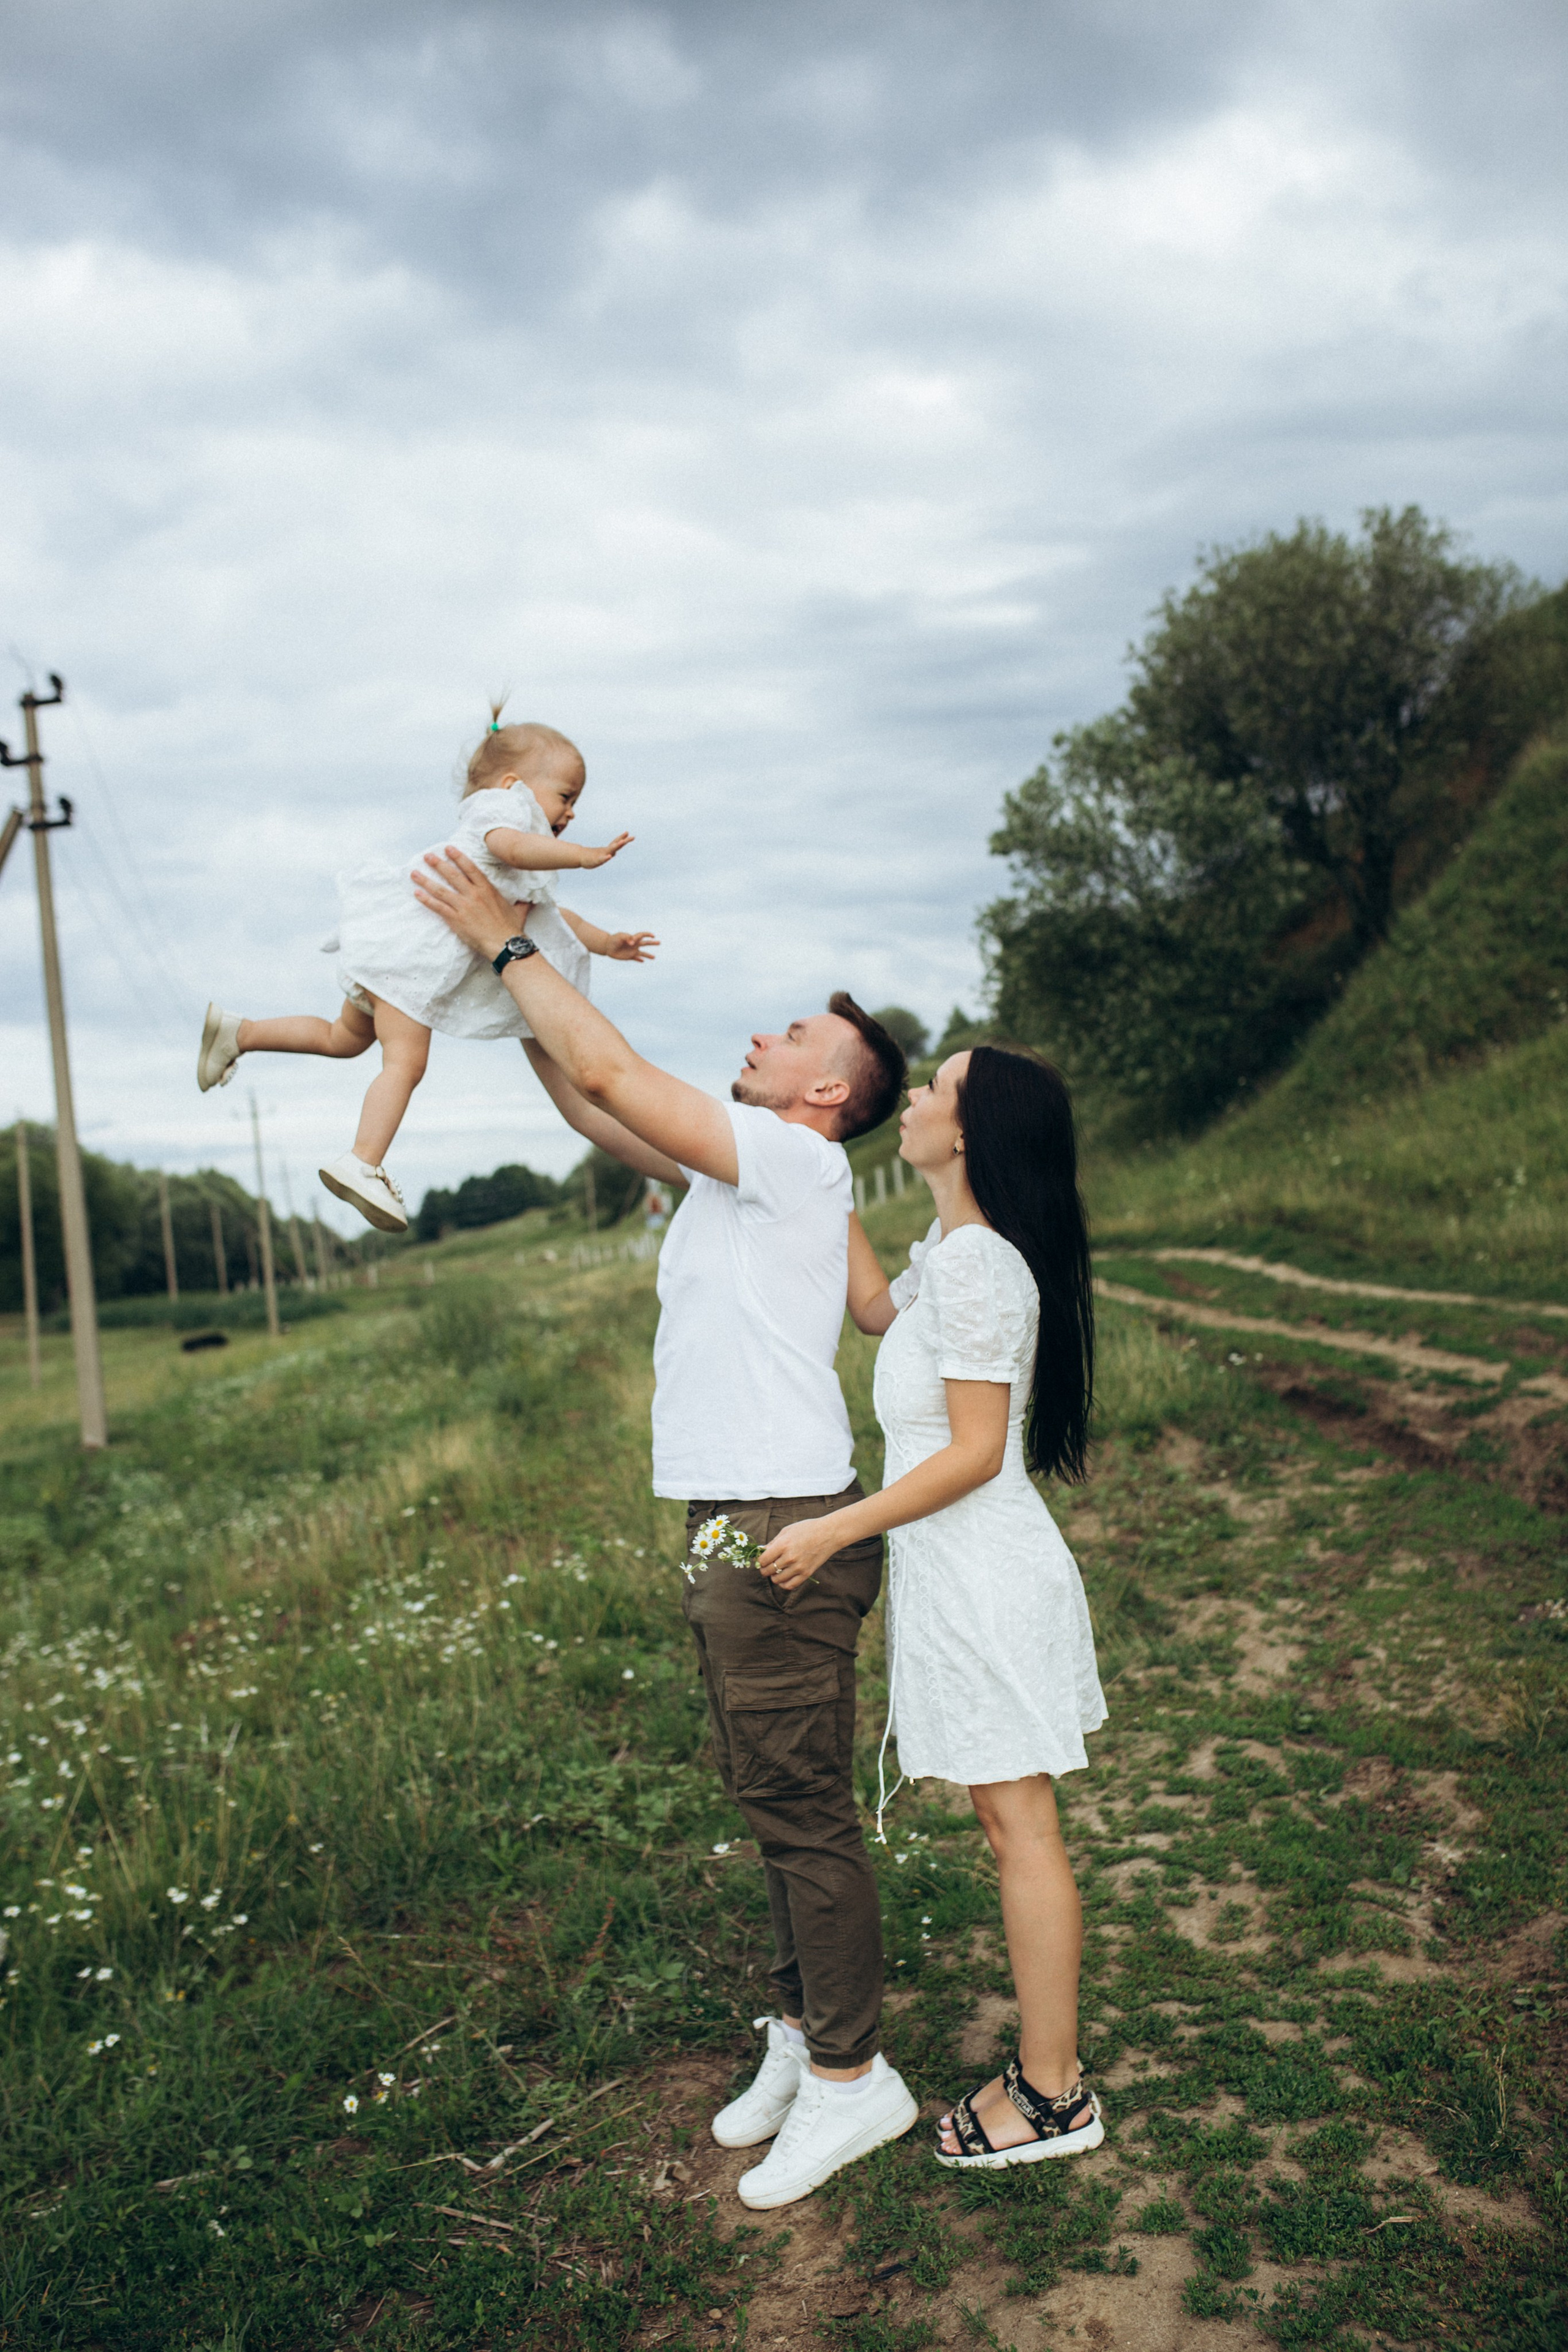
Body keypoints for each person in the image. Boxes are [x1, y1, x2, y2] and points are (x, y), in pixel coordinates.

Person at [409, 843, 918, 2211]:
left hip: (782, 1523)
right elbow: (595, 1098)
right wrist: (509, 991)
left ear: (826, 1092)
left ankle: (855, 2079)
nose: (759, 1038)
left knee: (803, 1813)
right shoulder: (741, 1173)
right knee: (771, 1799)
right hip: (731, 1516)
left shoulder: (791, 1161)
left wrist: (512, 944)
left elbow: (620, 1073)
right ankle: (804, 2033)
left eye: (789, 1035)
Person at [756, 1044, 1107, 2169]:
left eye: (933, 1088)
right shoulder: (950, 1257)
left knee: (1020, 1826)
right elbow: (874, 1310)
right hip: (959, 1576)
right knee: (1011, 1822)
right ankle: (1049, 2078)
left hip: (988, 1573)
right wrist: (818, 1169)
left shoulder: (980, 1265)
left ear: (967, 1132)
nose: (909, 1097)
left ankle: (1054, 2095)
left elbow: (974, 1452)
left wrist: (834, 1529)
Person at [194, 713, 655, 1234]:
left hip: (393, 955)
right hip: (412, 967)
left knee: (342, 1038)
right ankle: (363, 1161)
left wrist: (607, 943)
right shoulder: (500, 816)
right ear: (513, 786)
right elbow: (515, 846)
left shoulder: (517, 868)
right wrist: (581, 857)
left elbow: (554, 921)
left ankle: (241, 1033)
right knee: (405, 1065)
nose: (571, 812)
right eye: (566, 796)